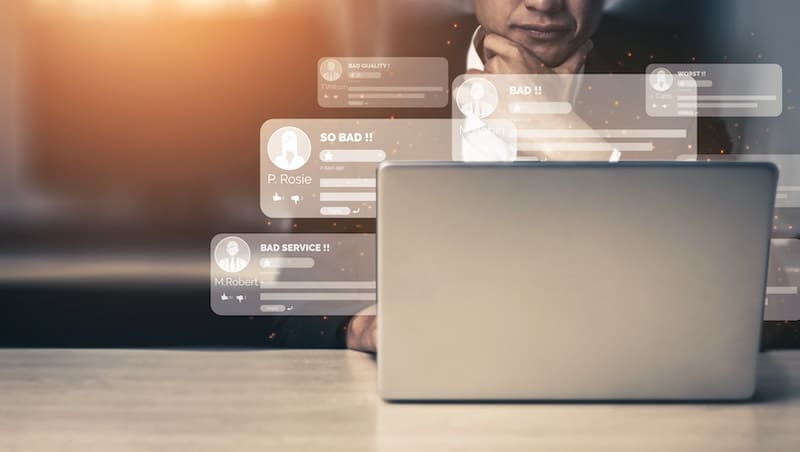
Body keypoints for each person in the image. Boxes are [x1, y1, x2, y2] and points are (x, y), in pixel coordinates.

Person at [346, 0, 607, 353]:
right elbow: (291, 310)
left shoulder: (683, 83)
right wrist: (360, 329)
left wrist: (559, 134)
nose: (543, 3)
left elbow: (700, 293)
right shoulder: (375, 90)